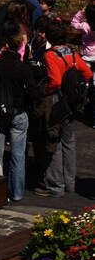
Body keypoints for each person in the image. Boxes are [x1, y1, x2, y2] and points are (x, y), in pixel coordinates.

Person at [39, 17, 93, 196]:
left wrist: (45, 91)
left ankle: (55, 184)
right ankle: (70, 183)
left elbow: (55, 79)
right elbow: (86, 72)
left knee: (54, 141)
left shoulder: (50, 55)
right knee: (69, 142)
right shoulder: (71, 52)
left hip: (56, 100)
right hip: (71, 101)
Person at [0, 20, 41, 201]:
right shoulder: (24, 68)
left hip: (0, 111)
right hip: (18, 112)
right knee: (18, 156)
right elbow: (33, 92)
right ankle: (17, 192)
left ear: (5, 45)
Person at [71, 3, 95, 126]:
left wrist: (81, 12)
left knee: (85, 80)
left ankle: (84, 99)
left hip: (86, 57)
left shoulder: (85, 26)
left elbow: (73, 23)